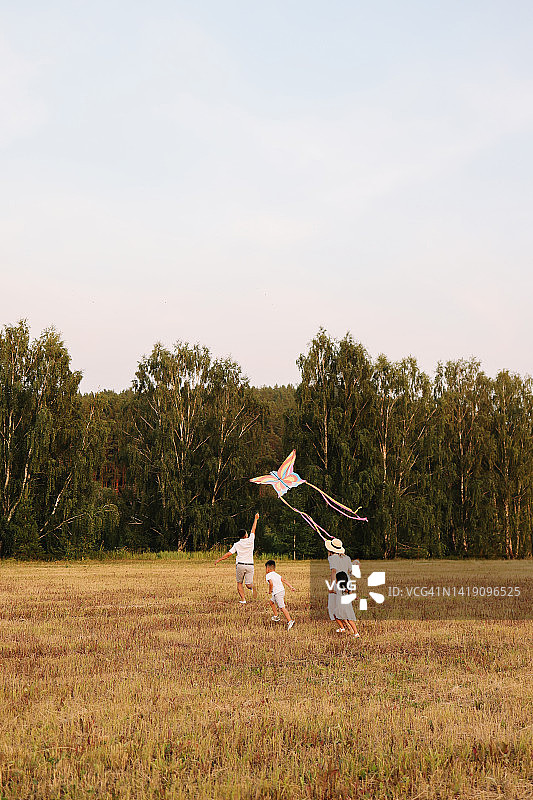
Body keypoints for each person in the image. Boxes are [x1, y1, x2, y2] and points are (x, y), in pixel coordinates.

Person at [215, 513, 259, 603]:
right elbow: (253, 529)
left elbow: (229, 554)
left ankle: (243, 600)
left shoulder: (237, 544)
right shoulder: (250, 540)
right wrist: (256, 519)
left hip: (240, 565)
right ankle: (252, 588)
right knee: (248, 584)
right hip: (250, 565)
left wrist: (219, 559)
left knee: (239, 583)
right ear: (246, 535)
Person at [325, 538, 358, 633]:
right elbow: (350, 572)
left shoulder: (332, 558)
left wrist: (332, 586)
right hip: (346, 582)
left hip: (337, 583)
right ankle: (348, 628)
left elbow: (334, 571)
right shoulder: (347, 558)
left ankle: (345, 627)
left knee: (333, 607)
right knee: (343, 606)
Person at [265, 560, 295, 630]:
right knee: (271, 602)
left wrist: (269, 591)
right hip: (281, 591)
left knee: (282, 607)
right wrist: (291, 587)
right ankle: (276, 616)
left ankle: (290, 621)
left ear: (268, 568)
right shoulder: (277, 574)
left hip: (277, 593)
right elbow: (284, 580)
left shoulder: (268, 575)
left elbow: (271, 583)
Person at [334, 570, 360, 637]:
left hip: (342, 605)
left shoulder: (340, 587)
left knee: (336, 615)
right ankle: (356, 633)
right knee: (349, 620)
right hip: (346, 605)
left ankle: (343, 628)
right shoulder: (342, 587)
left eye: (336, 578)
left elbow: (347, 591)